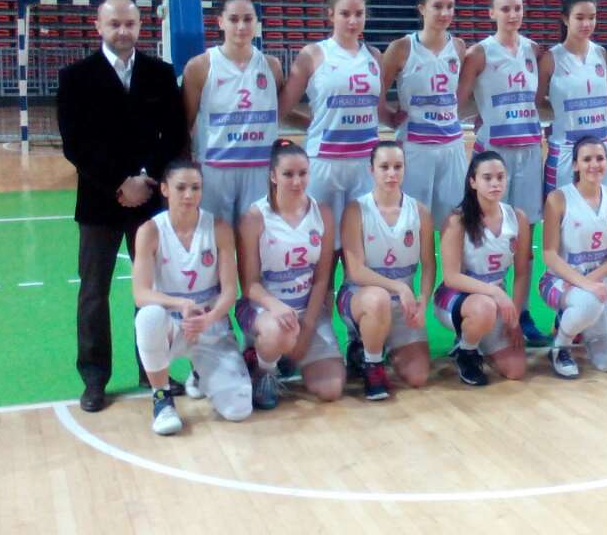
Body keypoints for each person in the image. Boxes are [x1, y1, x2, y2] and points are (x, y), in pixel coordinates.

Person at [57, 0, 189, 412]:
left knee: (150, 290)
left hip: (149, 200)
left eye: (130, 24)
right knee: (93, 293)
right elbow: (75, 144)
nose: (123, 31)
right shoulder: (75, 77)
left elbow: (174, 135)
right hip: (99, 202)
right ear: (98, 27)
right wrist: (119, 183)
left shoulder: (160, 74)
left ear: (140, 27)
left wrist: (146, 179)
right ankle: (94, 378)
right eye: (114, 24)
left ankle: (153, 370)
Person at [456, 0, 549, 347]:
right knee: (482, 234)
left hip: (528, 153)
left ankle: (520, 314)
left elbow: (535, 100)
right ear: (491, 13)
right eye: (506, 9)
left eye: (518, 8)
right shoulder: (479, 53)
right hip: (493, 155)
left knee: (524, 239)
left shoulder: (533, 51)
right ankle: (474, 312)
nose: (513, 14)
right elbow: (458, 102)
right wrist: (481, 114)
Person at [130, 160, 252, 435]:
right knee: (148, 316)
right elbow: (140, 294)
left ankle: (199, 373)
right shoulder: (150, 231)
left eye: (196, 188)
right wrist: (180, 303)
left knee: (239, 409)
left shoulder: (218, 228)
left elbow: (230, 291)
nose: (189, 195)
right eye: (181, 188)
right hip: (171, 326)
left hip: (209, 325)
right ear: (164, 189)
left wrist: (209, 318)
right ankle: (162, 398)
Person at [236, 140, 344, 408]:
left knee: (331, 389)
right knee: (278, 332)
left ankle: (283, 353)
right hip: (266, 311)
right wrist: (276, 307)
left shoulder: (323, 214)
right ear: (273, 175)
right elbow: (249, 285)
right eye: (288, 174)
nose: (297, 181)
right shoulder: (254, 218)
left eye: (302, 173)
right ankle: (264, 370)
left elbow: (322, 279)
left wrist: (307, 328)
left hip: (306, 310)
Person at [279, 0, 381, 231]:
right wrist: (309, 124)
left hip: (365, 161)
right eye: (345, 13)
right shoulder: (313, 54)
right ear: (331, 15)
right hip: (324, 160)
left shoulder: (375, 56)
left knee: (362, 236)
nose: (353, 21)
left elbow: (378, 108)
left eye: (359, 14)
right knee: (320, 235)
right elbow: (281, 109)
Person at [337, 141, 435, 400]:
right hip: (360, 297)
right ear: (371, 170)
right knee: (378, 298)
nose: (392, 173)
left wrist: (423, 301)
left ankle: (380, 342)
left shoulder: (420, 212)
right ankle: (371, 361)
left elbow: (429, 265)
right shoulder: (356, 210)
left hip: (402, 305)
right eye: (384, 167)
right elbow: (356, 271)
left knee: (417, 376)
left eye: (397, 167)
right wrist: (399, 286)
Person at [181, 0, 285, 227]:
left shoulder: (272, 66)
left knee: (257, 239)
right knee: (216, 239)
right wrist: (187, 167)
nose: (241, 26)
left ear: (256, 23)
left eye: (248, 19)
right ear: (221, 22)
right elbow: (185, 122)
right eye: (234, 19)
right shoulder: (200, 66)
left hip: (260, 167)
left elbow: (281, 111)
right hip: (215, 168)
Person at [434, 150, 530, 386]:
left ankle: (475, 341)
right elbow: (451, 277)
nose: (495, 183)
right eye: (487, 178)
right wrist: (496, 292)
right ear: (473, 181)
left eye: (500, 177)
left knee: (516, 369)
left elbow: (522, 273)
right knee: (484, 308)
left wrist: (515, 318)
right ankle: (466, 352)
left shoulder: (517, 218)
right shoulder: (457, 220)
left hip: (494, 302)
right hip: (456, 298)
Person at [378, 0, 468, 227]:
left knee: (454, 219)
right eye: (437, 6)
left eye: (450, 6)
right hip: (415, 145)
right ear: (421, 9)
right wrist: (389, 118)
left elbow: (457, 93)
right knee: (414, 219)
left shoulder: (459, 46)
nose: (445, 13)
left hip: (452, 144)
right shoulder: (401, 48)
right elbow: (377, 93)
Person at [539, 136, 607, 379]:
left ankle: (576, 321)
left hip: (596, 285)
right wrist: (584, 283)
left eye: (600, 158)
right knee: (589, 302)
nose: (594, 164)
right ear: (575, 165)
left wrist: (591, 281)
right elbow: (549, 254)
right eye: (587, 159)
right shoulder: (558, 199)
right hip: (559, 281)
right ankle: (560, 347)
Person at [538, 0, 607, 198]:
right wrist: (560, 114)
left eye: (592, 17)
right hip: (566, 148)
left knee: (600, 207)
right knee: (560, 209)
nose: (586, 24)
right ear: (565, 19)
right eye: (579, 18)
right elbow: (537, 101)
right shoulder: (551, 58)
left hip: (600, 147)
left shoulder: (601, 53)